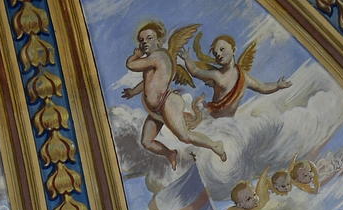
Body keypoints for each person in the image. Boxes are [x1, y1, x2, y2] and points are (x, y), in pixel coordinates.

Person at [123, 21, 227, 167]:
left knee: (184, 136)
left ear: (159, 41)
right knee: (146, 141)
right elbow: (147, 82)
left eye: (149, 38)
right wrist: (133, 92)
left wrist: (135, 55)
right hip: (156, 109)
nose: (144, 42)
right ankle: (169, 153)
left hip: (167, 102)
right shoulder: (151, 61)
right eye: (141, 40)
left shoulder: (158, 56)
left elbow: (131, 65)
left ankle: (215, 145)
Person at [183, 32, 291, 119]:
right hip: (211, 118)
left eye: (222, 49)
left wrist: (277, 86)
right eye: (216, 54)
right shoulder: (216, 74)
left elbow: (261, 87)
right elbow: (195, 71)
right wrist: (187, 59)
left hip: (227, 123)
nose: (219, 55)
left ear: (233, 50)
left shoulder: (243, 76)